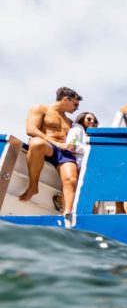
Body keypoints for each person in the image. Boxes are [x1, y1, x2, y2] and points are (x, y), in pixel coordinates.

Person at [18, 87, 82, 216]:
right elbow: (31, 130)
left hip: (64, 153)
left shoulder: (71, 122)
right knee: (36, 143)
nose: (77, 108)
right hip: (47, 146)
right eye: (75, 104)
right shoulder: (40, 108)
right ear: (65, 99)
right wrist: (58, 144)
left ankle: (68, 213)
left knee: (71, 179)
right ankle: (33, 186)